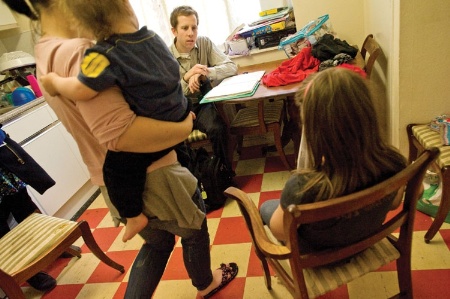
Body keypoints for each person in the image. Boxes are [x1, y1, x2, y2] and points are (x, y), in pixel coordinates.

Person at [2, 0, 238, 298]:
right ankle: (205, 284)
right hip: (153, 175)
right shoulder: (83, 52)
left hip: (111, 180)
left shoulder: (45, 49)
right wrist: (183, 127)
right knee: (194, 228)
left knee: (157, 242)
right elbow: (122, 136)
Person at [40, 0, 192, 242]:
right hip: (179, 109)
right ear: (126, 7)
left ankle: (133, 216)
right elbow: (174, 71)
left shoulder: (101, 54)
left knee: (114, 168)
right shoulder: (152, 37)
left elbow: (82, 89)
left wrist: (55, 83)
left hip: (153, 126)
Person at [259, 67, 407, 253]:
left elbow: (282, 233)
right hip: (365, 239)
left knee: (266, 206)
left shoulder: (301, 187)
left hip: (316, 255)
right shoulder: (394, 162)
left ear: (315, 132)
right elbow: (394, 203)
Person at [169, 5, 238, 171]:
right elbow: (167, 93)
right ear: (174, 31)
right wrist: (186, 78)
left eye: (194, 27)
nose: (191, 33)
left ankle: (225, 175)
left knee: (218, 129)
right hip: (179, 110)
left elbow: (232, 66)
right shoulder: (165, 55)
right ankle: (194, 181)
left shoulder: (205, 43)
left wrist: (203, 72)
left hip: (202, 105)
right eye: (184, 28)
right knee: (171, 140)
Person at [0, 128, 56, 292]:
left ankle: (51, 247)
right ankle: (28, 272)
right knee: (2, 231)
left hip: (4, 164)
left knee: (27, 210)